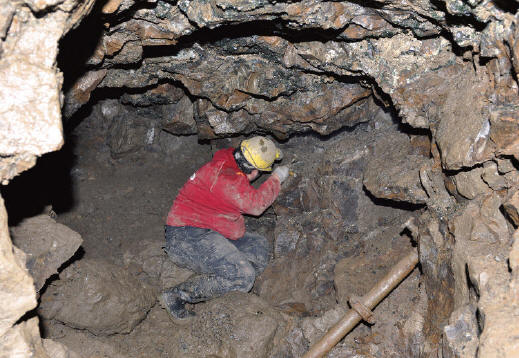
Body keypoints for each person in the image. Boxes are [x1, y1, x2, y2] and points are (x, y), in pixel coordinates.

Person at [161, 136, 290, 320]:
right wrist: (276, 178)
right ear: (254, 172)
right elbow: (256, 205)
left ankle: (226, 281)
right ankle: (177, 296)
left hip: (209, 230)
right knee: (242, 275)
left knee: (258, 246)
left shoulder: (228, 159)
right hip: (185, 237)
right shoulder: (228, 180)